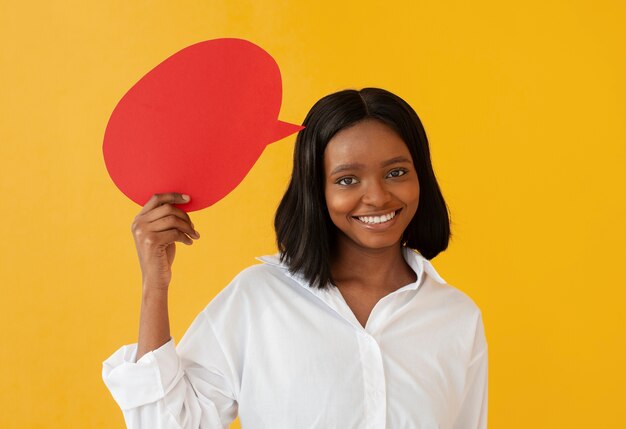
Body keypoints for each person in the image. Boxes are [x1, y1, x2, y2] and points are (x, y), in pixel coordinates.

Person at [102, 88, 488, 428]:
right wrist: (155, 284)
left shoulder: (456, 318)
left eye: (396, 172)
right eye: (347, 179)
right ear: (315, 189)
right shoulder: (258, 301)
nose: (377, 197)